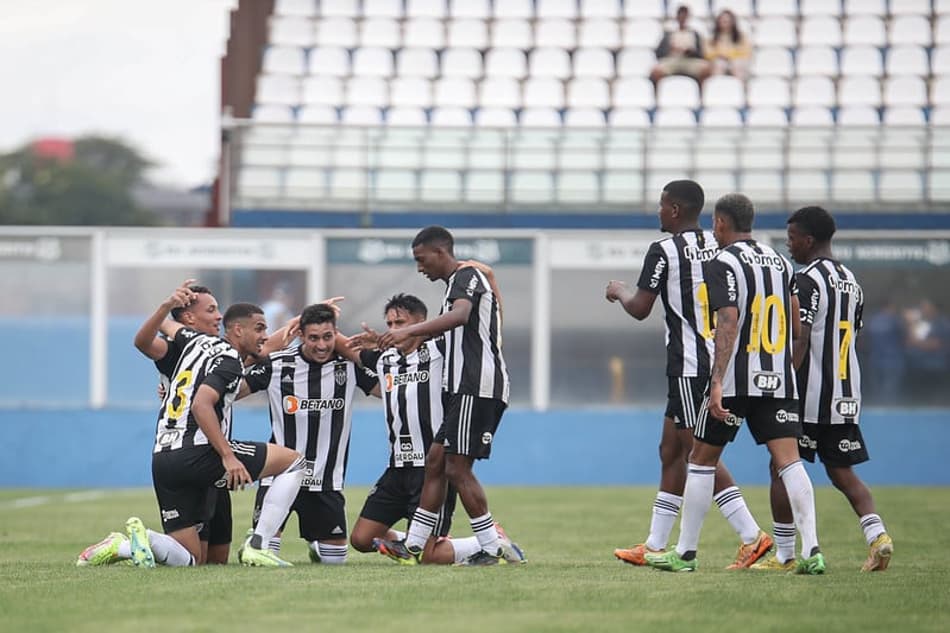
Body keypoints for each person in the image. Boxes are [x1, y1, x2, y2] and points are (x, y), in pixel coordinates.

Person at [646, 193, 825, 575]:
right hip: (777, 379)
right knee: (789, 462)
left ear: (721, 223)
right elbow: (796, 328)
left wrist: (716, 381)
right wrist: (783, 369)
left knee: (700, 460)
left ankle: (686, 553)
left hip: (736, 380)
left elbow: (727, 320)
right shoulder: (780, 262)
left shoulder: (721, 261)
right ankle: (811, 552)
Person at [77, 286, 306, 568]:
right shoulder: (204, 353)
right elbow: (200, 402)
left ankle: (125, 545)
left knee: (196, 560)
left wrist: (168, 304)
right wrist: (228, 456)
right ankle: (259, 544)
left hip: (165, 456)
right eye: (211, 310)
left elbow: (258, 344)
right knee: (294, 462)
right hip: (204, 452)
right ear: (189, 318)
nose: (218, 315)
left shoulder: (191, 340)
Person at [607, 180, 772, 570]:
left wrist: (619, 291)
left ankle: (752, 536)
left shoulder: (662, 250)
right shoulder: (721, 246)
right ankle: (654, 543)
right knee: (671, 451)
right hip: (716, 362)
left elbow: (640, 308)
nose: (659, 212)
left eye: (663, 206)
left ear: (676, 210)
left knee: (700, 455)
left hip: (691, 364)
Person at [751, 206, 893, 572]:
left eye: (792, 237)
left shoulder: (807, 280)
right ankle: (878, 536)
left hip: (810, 395)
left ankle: (784, 555)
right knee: (841, 471)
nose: (789, 244)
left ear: (808, 240)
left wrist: (784, 382)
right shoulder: (852, 281)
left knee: (780, 465)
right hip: (845, 392)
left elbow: (800, 338)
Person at [373, 226, 513, 565]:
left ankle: (492, 546)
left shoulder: (466, 276)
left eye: (422, 260)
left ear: (440, 252)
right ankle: (415, 544)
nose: (420, 268)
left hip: (476, 386)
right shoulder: (455, 286)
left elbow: (460, 316)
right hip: (461, 389)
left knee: (456, 469)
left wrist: (408, 329)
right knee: (436, 460)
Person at [351, 293, 524, 564]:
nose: (394, 329)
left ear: (421, 324)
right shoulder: (385, 359)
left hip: (432, 469)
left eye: (401, 322)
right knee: (361, 540)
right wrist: (312, 319)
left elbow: (488, 327)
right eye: (390, 323)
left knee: (427, 557)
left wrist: (489, 281)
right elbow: (346, 349)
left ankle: (492, 542)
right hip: (397, 466)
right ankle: (416, 541)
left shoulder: (442, 352)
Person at [242, 302, 377, 565]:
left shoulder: (348, 366)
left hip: (325, 480)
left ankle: (317, 545)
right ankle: (257, 537)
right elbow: (232, 392)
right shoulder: (277, 364)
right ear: (300, 335)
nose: (322, 345)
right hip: (279, 477)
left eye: (328, 337)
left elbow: (389, 391)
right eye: (313, 338)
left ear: (335, 334)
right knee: (263, 556)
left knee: (335, 561)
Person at [650, 5, 712, 86]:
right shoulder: (669, 33)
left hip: (690, 61)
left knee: (706, 69)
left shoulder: (695, 34)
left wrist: (690, 52)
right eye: (680, 15)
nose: (682, 18)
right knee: (656, 71)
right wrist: (670, 49)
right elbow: (658, 53)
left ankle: (702, 94)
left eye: (684, 16)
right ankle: (659, 94)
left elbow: (701, 54)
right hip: (672, 60)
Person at [705, 9, 752, 80]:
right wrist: (721, 55)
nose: (725, 22)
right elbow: (708, 54)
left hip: (737, 62)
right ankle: (718, 87)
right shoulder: (712, 38)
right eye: (723, 20)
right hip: (719, 62)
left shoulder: (741, 36)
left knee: (737, 65)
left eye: (727, 20)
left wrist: (728, 55)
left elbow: (746, 52)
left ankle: (740, 88)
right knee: (719, 64)